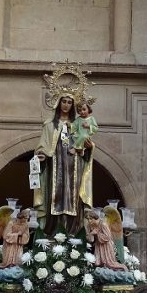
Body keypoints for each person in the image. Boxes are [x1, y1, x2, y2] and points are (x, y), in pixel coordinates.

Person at [34, 94, 93, 234]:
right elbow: (41, 146)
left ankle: (73, 232)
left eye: (69, 102)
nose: (66, 105)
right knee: (55, 196)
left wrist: (89, 147)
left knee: (74, 198)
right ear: (59, 103)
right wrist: (41, 155)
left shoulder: (78, 124)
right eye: (64, 101)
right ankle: (54, 232)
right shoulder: (49, 125)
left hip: (75, 166)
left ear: (73, 106)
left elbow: (86, 147)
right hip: (54, 166)